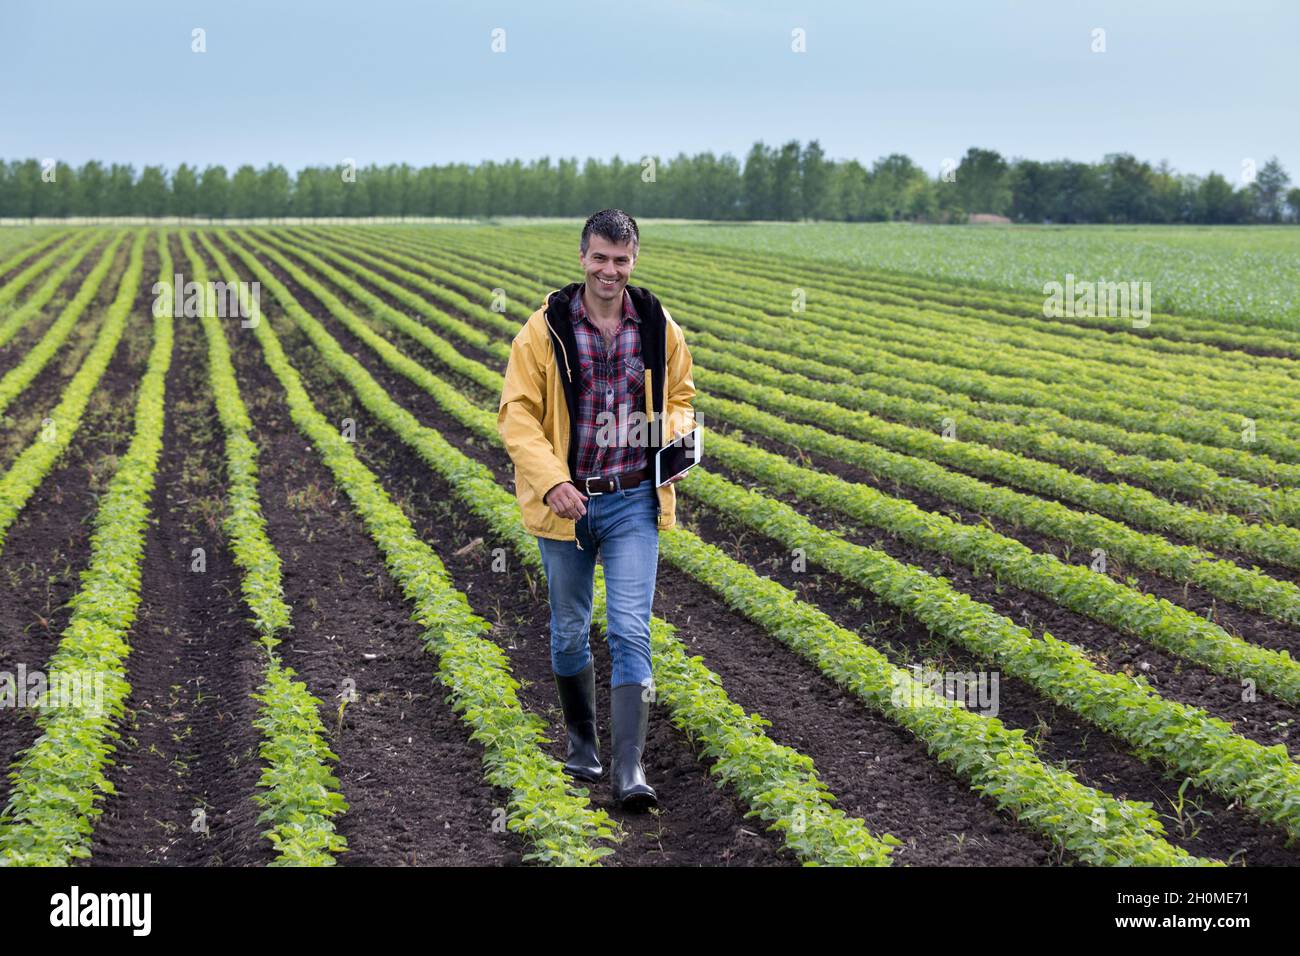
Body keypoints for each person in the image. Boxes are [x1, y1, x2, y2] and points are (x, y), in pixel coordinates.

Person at [497, 209, 696, 811]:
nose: (610, 270)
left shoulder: (659, 327)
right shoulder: (544, 329)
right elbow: (518, 414)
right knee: (567, 629)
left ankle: (628, 769)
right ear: (583, 257)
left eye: (622, 260)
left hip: (633, 499)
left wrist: (674, 437)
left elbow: (681, 396)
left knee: (630, 627)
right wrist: (553, 481)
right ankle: (582, 743)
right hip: (568, 503)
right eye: (600, 258)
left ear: (634, 261)